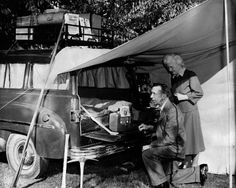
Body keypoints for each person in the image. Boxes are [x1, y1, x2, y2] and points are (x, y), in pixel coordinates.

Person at [139, 84, 208, 188]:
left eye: (154, 93)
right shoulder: (165, 108)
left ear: (163, 96)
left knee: (147, 154)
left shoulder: (171, 111)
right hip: (171, 145)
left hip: (174, 147)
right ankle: (199, 172)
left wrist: (151, 146)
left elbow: (170, 138)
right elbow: (165, 128)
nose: (151, 96)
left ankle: (161, 185)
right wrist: (150, 127)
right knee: (171, 177)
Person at [162, 54, 205, 168]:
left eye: (171, 67)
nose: (169, 70)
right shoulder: (173, 77)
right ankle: (185, 163)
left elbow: (199, 93)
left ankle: (195, 166)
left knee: (193, 138)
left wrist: (184, 97)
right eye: (167, 68)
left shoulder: (190, 75)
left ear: (179, 63)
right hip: (179, 112)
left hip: (190, 112)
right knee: (182, 139)